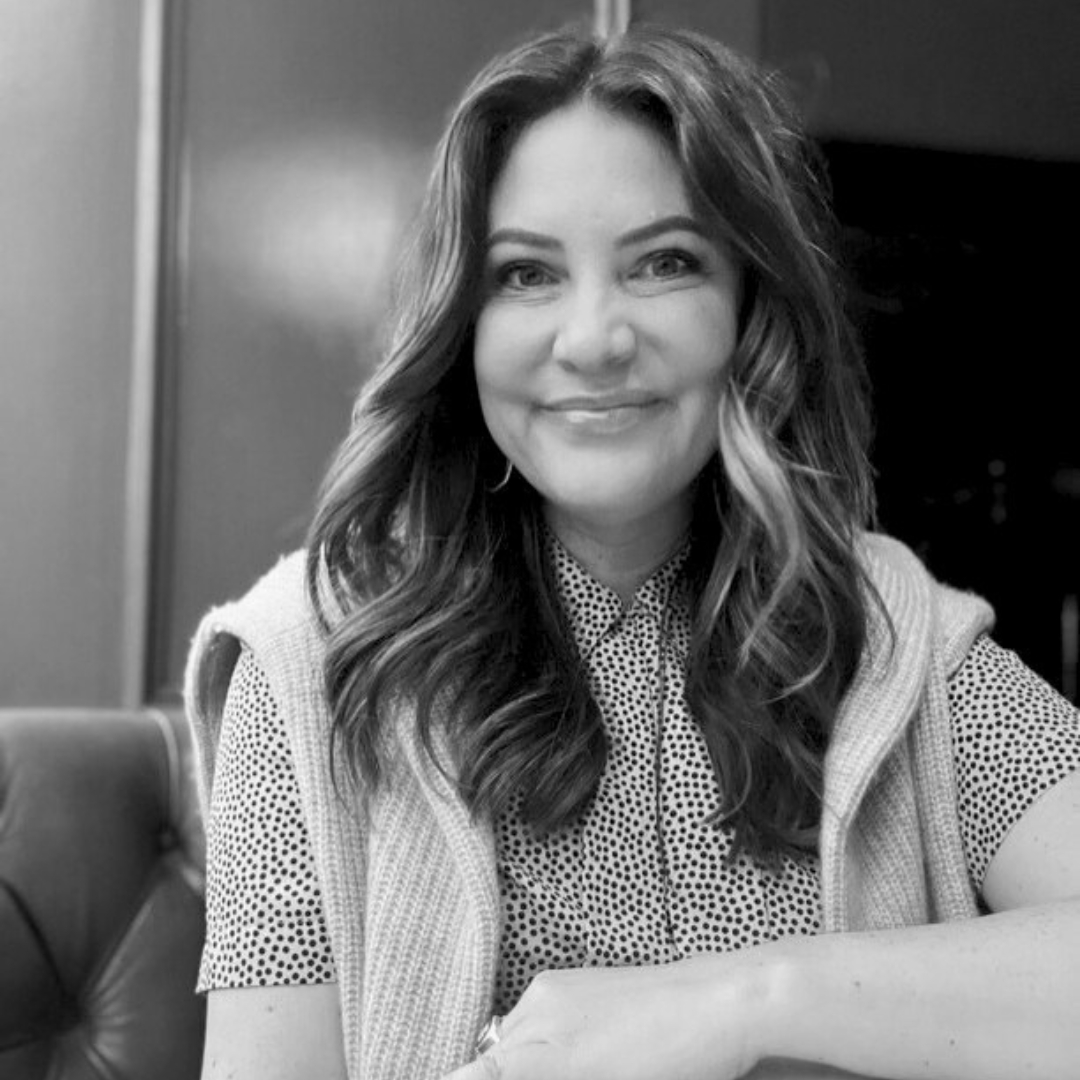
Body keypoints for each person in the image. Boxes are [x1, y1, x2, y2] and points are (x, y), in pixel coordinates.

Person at [184, 20, 1080, 1080]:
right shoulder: (311, 662)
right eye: (526, 274)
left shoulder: (893, 638)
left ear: (749, 309)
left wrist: (739, 1002)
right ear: (461, 325)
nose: (595, 339)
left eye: (665, 263)